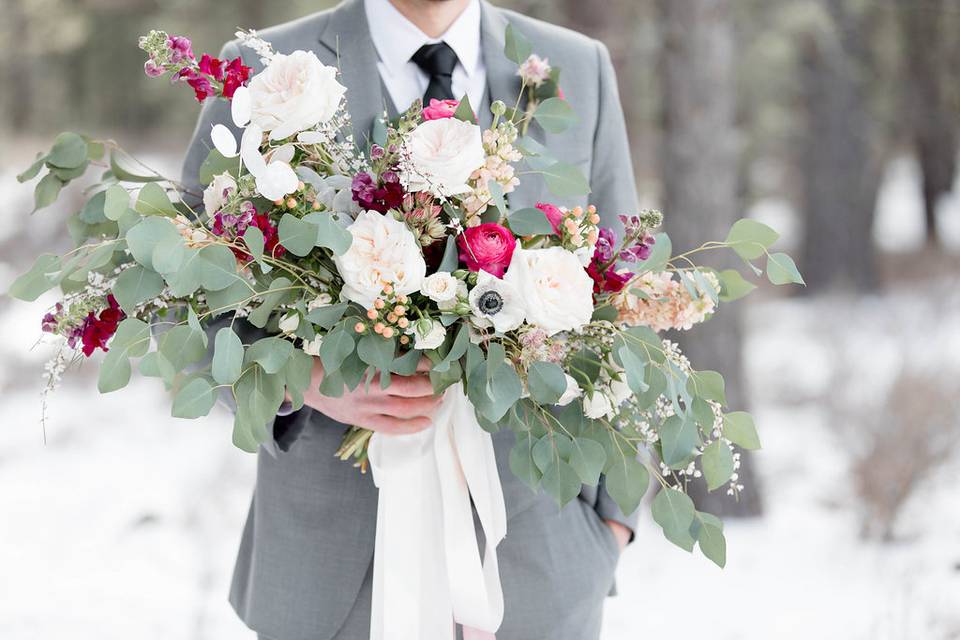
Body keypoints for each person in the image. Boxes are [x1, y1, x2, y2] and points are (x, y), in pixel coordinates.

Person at [181, 1, 640, 638]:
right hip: (333, 575)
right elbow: (191, 295)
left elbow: (624, 297)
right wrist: (303, 378)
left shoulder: (578, 69)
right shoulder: (266, 69)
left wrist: (612, 525)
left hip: (537, 563)